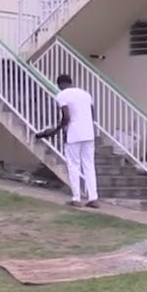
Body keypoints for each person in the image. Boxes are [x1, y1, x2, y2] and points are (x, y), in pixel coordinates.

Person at [35, 73, 99, 208]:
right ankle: (93, 198)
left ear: (60, 84)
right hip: (89, 134)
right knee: (89, 166)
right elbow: (92, 114)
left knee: (73, 165)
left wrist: (57, 129)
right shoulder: (86, 94)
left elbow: (66, 116)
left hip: (73, 134)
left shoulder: (62, 95)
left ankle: (76, 198)